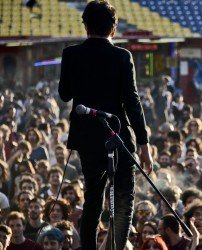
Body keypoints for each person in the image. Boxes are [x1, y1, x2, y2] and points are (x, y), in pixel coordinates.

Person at [58, 1, 154, 249]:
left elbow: (64, 94)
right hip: (119, 137)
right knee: (123, 199)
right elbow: (132, 103)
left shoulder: (71, 54)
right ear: (114, 29)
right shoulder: (123, 56)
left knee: (93, 198)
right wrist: (144, 145)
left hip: (87, 138)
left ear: (86, 26)